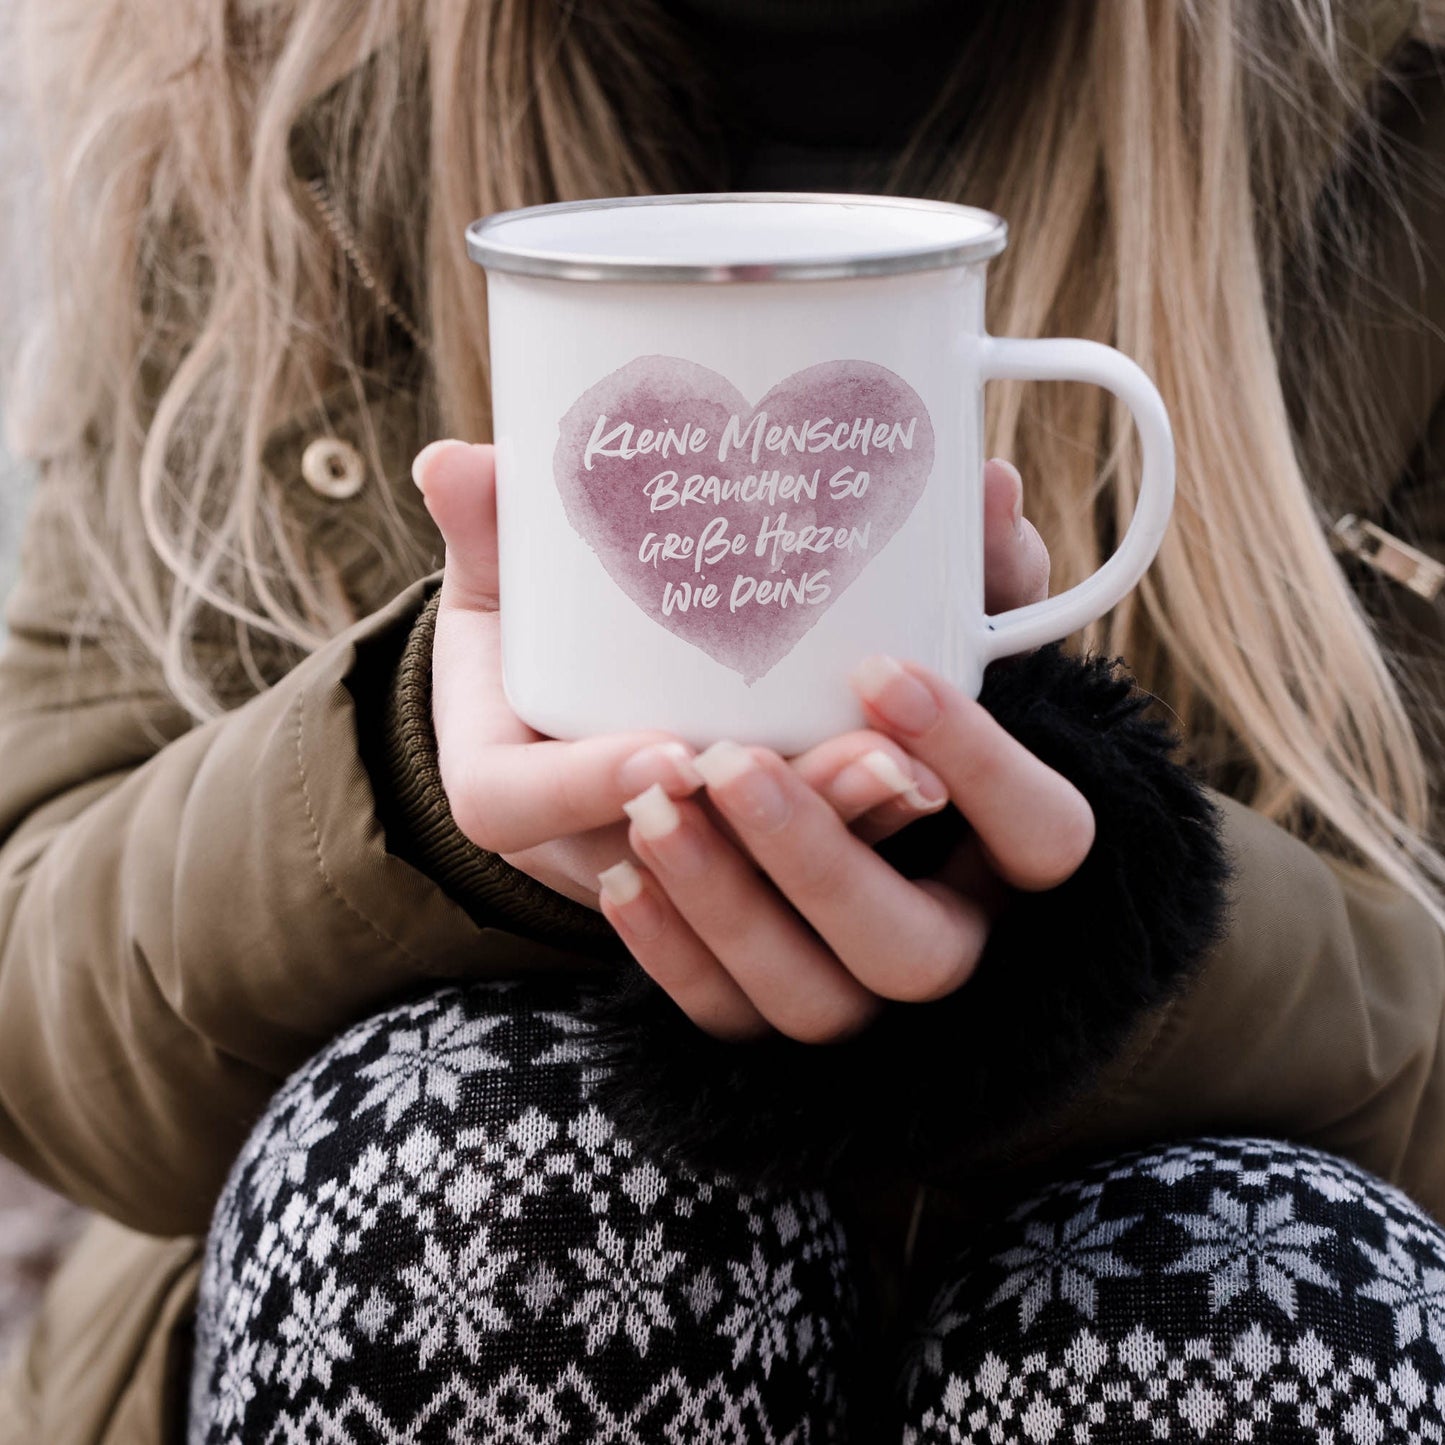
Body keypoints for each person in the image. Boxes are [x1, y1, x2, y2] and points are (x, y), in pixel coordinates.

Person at [0, 0, 1443, 1440]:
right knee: (481, 1176)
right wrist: (401, 803)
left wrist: (1114, 952)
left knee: (1257, 1286)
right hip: (448, 1293)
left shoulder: (1399, 120)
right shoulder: (265, 81)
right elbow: (34, 1011)